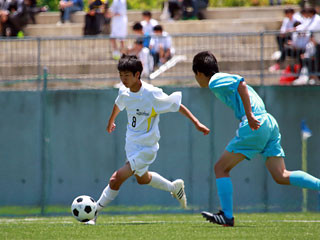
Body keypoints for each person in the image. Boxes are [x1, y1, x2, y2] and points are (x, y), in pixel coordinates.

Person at [192, 51, 320, 227]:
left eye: (195, 75)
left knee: (220, 168)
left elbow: (240, 83)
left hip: (254, 122)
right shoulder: (220, 80)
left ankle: (227, 216)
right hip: (268, 122)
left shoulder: (214, 80)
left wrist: (250, 115)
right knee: (281, 175)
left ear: (199, 72)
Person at [86, 55, 210, 225]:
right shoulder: (124, 91)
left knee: (116, 178)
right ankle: (174, 188)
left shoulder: (152, 94)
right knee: (142, 179)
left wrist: (196, 123)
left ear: (138, 75)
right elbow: (118, 104)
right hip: (130, 144)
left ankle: (94, 212)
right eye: (121, 75)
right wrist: (111, 121)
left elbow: (176, 105)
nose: (123, 79)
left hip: (147, 147)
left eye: (127, 75)